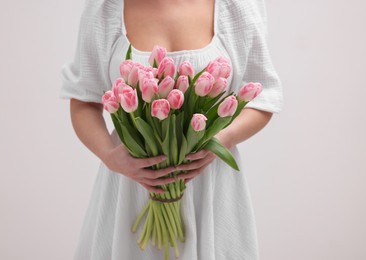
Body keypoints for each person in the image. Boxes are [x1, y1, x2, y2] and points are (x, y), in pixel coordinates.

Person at [59, 0, 283, 259]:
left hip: (211, 186)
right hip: (130, 186)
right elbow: (83, 100)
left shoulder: (237, 6)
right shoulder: (105, 8)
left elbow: (264, 97)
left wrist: (220, 140)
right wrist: (111, 156)